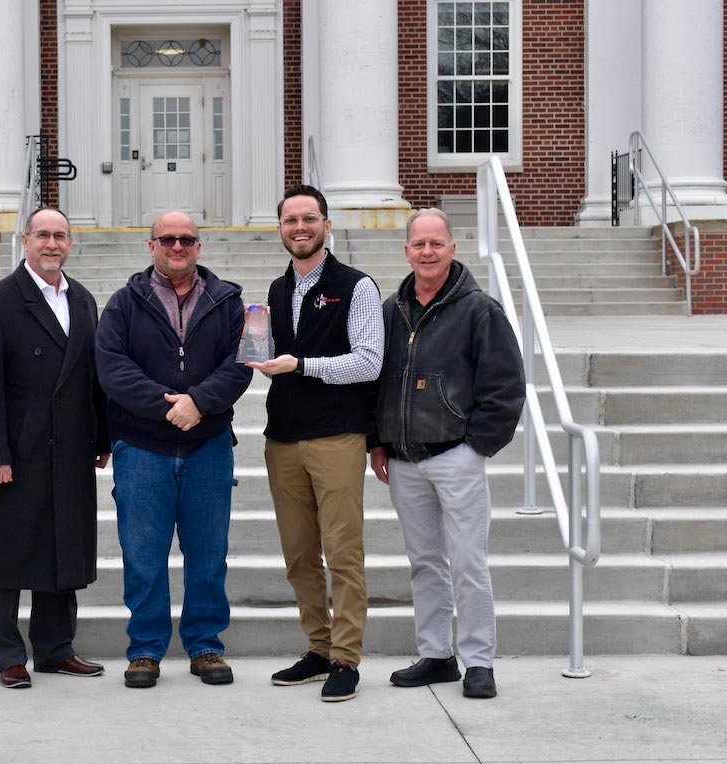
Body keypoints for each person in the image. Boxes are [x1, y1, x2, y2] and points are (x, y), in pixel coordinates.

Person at [369, 207, 525, 700]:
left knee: (467, 562)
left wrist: (475, 445)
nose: (428, 252)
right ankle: (436, 655)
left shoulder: (480, 310)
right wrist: (378, 439)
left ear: (452, 249)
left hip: (455, 455)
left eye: (437, 243)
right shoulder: (392, 309)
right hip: (404, 460)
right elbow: (375, 380)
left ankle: (479, 661)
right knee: (425, 562)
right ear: (407, 250)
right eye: (419, 244)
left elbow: (505, 387)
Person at [95, 210, 252, 689]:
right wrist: (168, 407)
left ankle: (205, 645)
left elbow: (241, 362)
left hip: (208, 446)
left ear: (199, 247)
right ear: (152, 246)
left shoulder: (228, 302)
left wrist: (199, 403)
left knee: (209, 552)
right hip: (142, 447)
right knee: (143, 554)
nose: (177, 246)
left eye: (187, 239)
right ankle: (145, 649)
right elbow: (112, 367)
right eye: (167, 239)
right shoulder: (123, 304)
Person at [246, 184, 384, 703]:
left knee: (342, 552)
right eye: (289, 221)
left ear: (328, 225)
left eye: (309, 219)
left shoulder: (357, 286)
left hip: (336, 437)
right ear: (279, 228)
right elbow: (270, 361)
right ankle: (319, 648)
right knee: (300, 555)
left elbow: (369, 361)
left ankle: (346, 657)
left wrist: (302, 366)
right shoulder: (276, 293)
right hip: (282, 439)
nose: (299, 228)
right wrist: (258, 361)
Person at [0, 207, 110, 689]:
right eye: (43, 235)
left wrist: (102, 437)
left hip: (69, 450)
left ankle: (54, 648)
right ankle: (6, 652)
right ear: (24, 241)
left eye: (61, 236)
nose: (52, 244)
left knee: (62, 550)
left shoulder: (83, 300)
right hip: (17, 452)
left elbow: (94, 378)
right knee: (6, 554)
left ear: (70, 244)